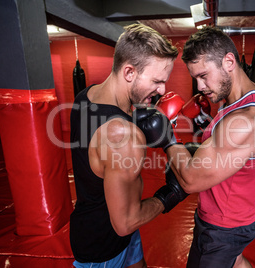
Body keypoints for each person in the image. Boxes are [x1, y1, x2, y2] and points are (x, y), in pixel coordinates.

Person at [139, 26, 255, 267]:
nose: (200, 86)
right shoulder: (241, 100)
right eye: (195, 77)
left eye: (203, 75)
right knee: (235, 261)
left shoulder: (244, 120)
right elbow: (224, 152)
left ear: (228, 61)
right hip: (238, 219)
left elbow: (191, 180)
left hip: (223, 228)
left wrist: (167, 139)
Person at [69, 23, 187, 268]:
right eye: (156, 81)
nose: (162, 90)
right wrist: (169, 196)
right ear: (129, 72)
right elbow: (125, 222)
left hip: (110, 228)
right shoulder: (123, 136)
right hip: (103, 247)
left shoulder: (86, 95)